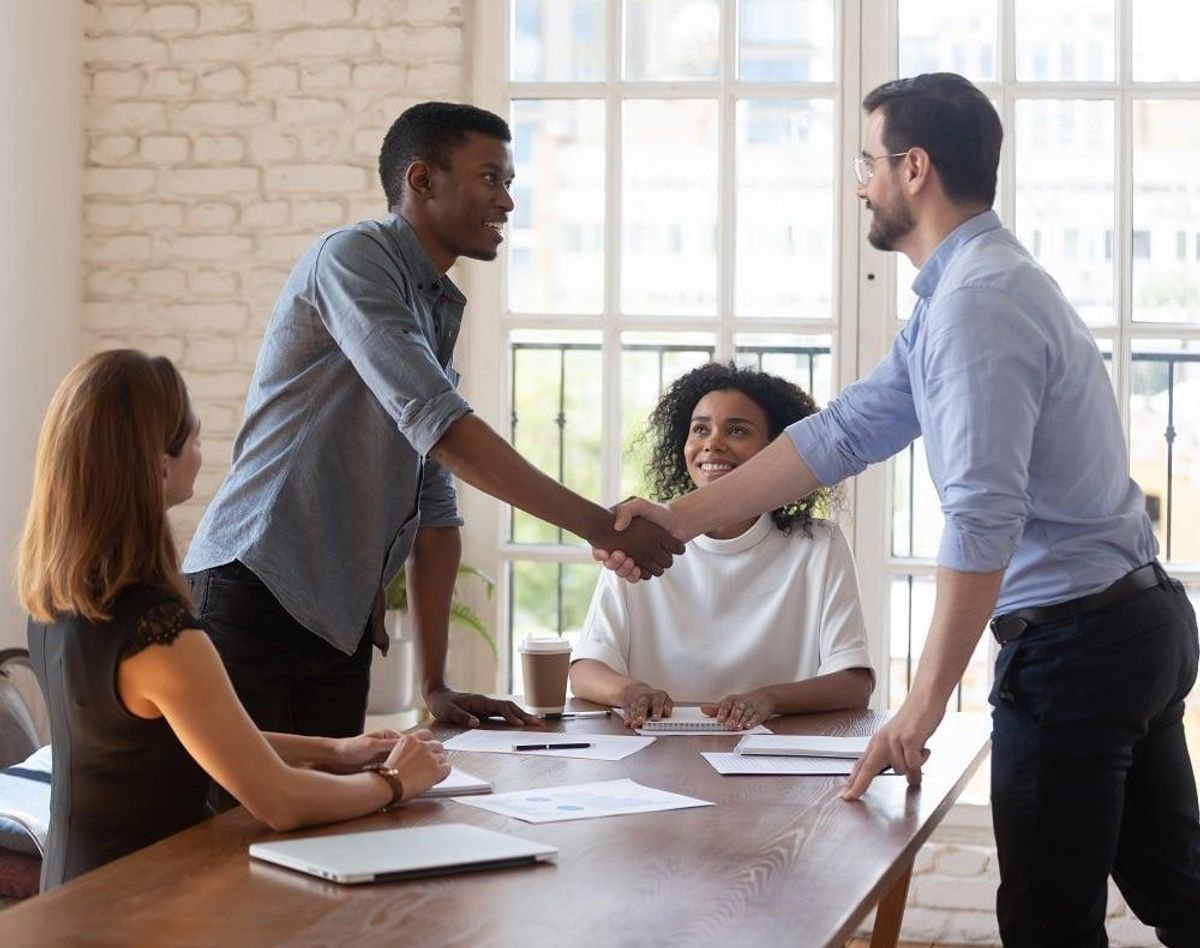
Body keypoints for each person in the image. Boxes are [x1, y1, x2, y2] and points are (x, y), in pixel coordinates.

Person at [602, 74, 1200, 945]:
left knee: (1047, 919)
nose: (859, 184)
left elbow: (983, 517)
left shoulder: (975, 305)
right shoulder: (965, 292)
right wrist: (678, 518)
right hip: (1129, 620)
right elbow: (841, 434)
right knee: (1178, 888)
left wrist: (921, 704)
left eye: (867, 163)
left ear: (914, 168)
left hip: (1080, 646)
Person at [182, 102, 681, 747]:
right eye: (490, 179)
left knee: (318, 832)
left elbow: (435, 509)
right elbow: (441, 427)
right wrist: (598, 525)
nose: (506, 203)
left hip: (337, 624)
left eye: (510, 183)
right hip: (253, 589)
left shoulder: (433, 306)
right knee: (235, 831)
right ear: (422, 180)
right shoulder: (353, 258)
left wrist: (436, 685)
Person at [16, 350, 451, 890]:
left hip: (73, 889)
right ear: (157, 464)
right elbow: (280, 801)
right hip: (136, 903)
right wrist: (394, 782)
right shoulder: (158, 632)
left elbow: (182, 737)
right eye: (194, 440)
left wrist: (336, 751)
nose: (203, 451)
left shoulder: (61, 598)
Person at [572, 363, 874, 729]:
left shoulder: (818, 546)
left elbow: (853, 683)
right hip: (654, 755)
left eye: (737, 430)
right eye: (700, 428)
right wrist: (630, 691)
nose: (712, 442)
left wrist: (769, 698)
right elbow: (587, 668)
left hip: (774, 761)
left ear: (778, 452)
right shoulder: (643, 543)